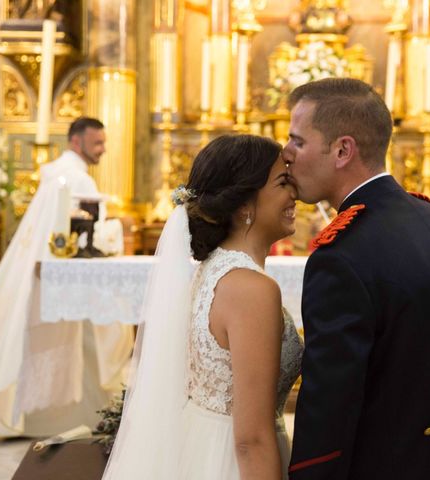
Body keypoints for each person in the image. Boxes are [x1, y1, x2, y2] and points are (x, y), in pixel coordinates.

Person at [283, 78, 430, 479]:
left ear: (342, 150)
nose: (285, 154)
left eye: (297, 141)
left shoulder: (341, 256)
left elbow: (331, 403)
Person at [103, 134, 303, 479]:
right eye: (283, 182)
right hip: (232, 461)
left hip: (200, 443)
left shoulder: (212, 270)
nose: (294, 193)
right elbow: (251, 439)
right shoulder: (252, 289)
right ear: (244, 205)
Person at [0, 117, 133, 437]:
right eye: (97, 143)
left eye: (104, 143)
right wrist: (121, 226)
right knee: (88, 339)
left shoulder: (56, 175)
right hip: (67, 273)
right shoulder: (77, 180)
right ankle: (83, 414)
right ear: (76, 142)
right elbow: (93, 237)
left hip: (46, 269)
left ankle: (48, 414)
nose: (102, 150)